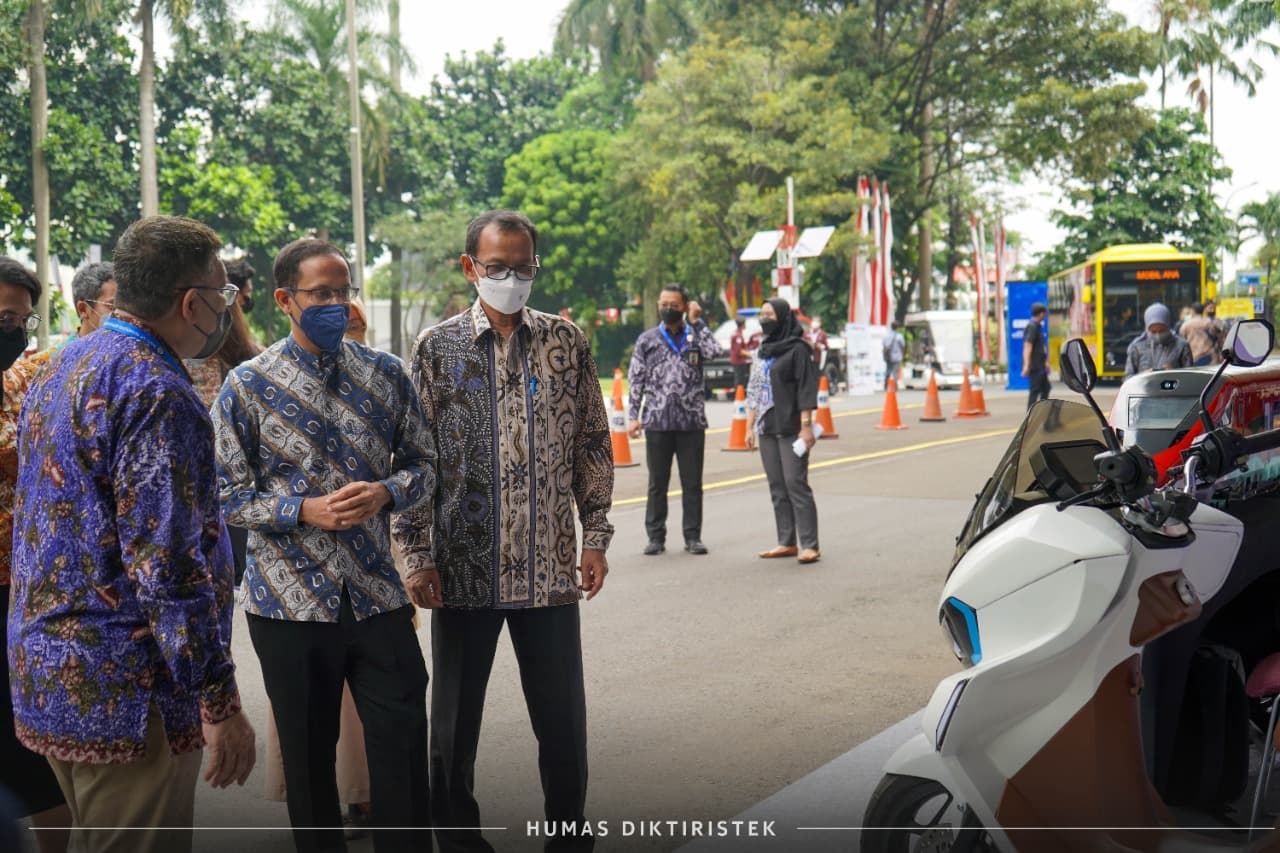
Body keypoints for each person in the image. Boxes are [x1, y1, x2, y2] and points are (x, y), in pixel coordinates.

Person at [8, 217, 257, 853]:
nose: (226, 310)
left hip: (51, 673)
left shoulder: (66, 365)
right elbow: (167, 566)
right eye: (222, 295)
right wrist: (220, 701)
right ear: (191, 302)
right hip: (125, 691)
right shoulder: (156, 390)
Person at [393, 209, 614, 853]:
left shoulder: (565, 344)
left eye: (523, 267)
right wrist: (414, 555)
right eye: (497, 268)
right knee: (454, 729)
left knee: (564, 726)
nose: (511, 279)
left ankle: (568, 840)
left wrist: (594, 536)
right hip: (462, 572)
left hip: (549, 571)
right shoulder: (438, 349)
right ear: (471, 268)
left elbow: (592, 445)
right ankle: (459, 842)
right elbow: (415, 459)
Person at [214, 238, 434, 853]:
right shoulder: (246, 386)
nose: (336, 303)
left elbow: (426, 467)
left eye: (344, 291)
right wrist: (300, 510)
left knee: (403, 754)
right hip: (288, 605)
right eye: (321, 294)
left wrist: (386, 493)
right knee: (310, 775)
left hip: (376, 598)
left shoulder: (386, 375)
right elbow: (224, 496)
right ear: (286, 300)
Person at [0, 258, 71, 853]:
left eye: (21, 320)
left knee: (27, 736)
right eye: (3, 317)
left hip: (20, 583)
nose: (14, 331)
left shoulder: (27, 379)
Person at [626, 283, 721, 555]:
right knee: (658, 483)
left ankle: (693, 536)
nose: (668, 309)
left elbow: (715, 352)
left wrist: (698, 322)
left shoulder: (696, 336)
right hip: (657, 421)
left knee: (692, 483)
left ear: (685, 306)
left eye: (674, 304)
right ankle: (656, 536)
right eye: (663, 304)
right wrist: (633, 416)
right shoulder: (647, 340)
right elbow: (636, 379)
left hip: (691, 422)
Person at [744, 298, 821, 565]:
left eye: (770, 314)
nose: (765, 318)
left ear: (783, 317)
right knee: (777, 486)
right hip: (766, 426)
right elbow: (754, 388)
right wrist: (749, 425)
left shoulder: (798, 350)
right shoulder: (762, 349)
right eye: (762, 313)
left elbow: (806, 388)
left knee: (795, 483)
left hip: (790, 426)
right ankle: (786, 541)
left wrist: (806, 426)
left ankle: (809, 544)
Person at [1124, 302, 1193, 380]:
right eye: (1153, 331)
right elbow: (1127, 378)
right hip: (1144, 391)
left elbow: (1189, 378)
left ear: (1168, 326)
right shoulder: (1137, 347)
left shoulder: (1182, 346)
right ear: (1147, 329)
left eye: (1162, 330)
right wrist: (1142, 376)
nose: (1158, 334)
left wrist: (1174, 373)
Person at [1021, 302, 1051, 410]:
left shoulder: (1037, 327)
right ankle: (1030, 416)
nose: (1045, 315)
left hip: (1040, 365)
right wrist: (1026, 365)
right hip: (1035, 366)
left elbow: (1040, 347)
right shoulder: (1032, 326)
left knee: (1046, 388)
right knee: (1034, 391)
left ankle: (1042, 412)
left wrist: (1045, 362)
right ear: (1041, 314)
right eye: (1044, 313)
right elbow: (1028, 345)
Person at [1177, 302, 1217, 367]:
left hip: (1194, 358)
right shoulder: (1211, 322)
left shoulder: (1185, 325)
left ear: (1192, 311)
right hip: (1210, 358)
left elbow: (1181, 341)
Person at [729, 317, 753, 392]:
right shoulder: (738, 336)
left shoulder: (737, 333)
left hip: (738, 360)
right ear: (742, 324)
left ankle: (740, 395)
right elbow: (738, 350)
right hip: (739, 361)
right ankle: (738, 396)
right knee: (739, 379)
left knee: (740, 378)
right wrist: (751, 355)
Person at [882, 321, 905, 390]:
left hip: (888, 356)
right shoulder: (899, 336)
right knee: (894, 372)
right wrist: (902, 355)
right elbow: (902, 346)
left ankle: (886, 385)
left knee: (888, 371)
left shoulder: (886, 336)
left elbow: (884, 346)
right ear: (897, 327)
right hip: (897, 357)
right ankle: (893, 387)